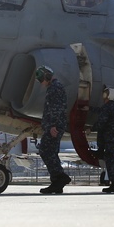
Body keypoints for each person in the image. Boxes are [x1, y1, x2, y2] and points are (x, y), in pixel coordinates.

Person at [35, 66, 70, 194]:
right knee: (52, 152)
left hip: (54, 126)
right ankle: (57, 183)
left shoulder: (55, 88)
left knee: (45, 150)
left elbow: (57, 108)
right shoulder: (55, 87)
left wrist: (52, 126)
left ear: (47, 77)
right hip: (54, 125)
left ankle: (60, 177)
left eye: (41, 79)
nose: (41, 83)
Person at [93, 87, 114, 194]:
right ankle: (113, 183)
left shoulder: (108, 107)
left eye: (106, 93)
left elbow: (101, 122)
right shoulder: (113, 106)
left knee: (110, 157)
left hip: (112, 136)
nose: (104, 95)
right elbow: (101, 111)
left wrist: (91, 129)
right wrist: (89, 108)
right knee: (110, 156)